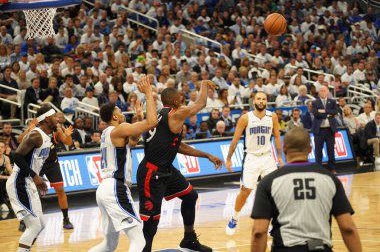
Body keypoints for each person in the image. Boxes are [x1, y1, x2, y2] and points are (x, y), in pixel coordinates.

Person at [137, 80, 223, 252]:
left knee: (190, 196)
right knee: (152, 220)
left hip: (166, 169)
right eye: (181, 99)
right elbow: (201, 103)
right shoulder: (175, 114)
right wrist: (204, 84)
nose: (183, 102)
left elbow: (178, 146)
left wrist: (206, 155)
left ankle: (189, 239)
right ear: (176, 102)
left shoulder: (161, 114)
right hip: (151, 173)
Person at [251, 127, 362, 252]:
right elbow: (348, 228)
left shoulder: (268, 182)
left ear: (284, 149)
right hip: (321, 248)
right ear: (310, 149)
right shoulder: (330, 179)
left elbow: (259, 232)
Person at [88, 75, 157, 252]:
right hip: (114, 188)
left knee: (110, 244)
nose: (122, 112)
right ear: (114, 116)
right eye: (119, 111)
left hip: (104, 188)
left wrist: (138, 118)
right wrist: (149, 94)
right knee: (139, 241)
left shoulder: (108, 132)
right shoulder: (119, 129)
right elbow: (152, 123)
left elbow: (132, 142)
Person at [225, 91, 284, 236]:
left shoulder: (272, 116)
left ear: (266, 102)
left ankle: (273, 224)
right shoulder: (245, 118)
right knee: (245, 192)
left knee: (274, 191)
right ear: (254, 101)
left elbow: (277, 137)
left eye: (264, 99)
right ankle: (234, 218)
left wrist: (280, 157)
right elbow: (235, 140)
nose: (261, 101)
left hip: (267, 157)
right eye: (259, 99)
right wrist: (228, 159)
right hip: (251, 157)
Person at [6, 105, 58, 252]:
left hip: (28, 182)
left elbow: (35, 161)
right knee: (34, 226)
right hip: (19, 182)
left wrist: (38, 177)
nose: (58, 120)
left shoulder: (47, 137)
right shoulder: (35, 135)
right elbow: (17, 156)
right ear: (47, 119)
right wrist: (34, 176)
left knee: (41, 225)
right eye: (55, 117)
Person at [17, 115, 75, 230]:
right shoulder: (35, 131)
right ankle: (25, 219)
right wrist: (29, 128)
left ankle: (66, 218)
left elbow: (68, 142)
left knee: (60, 190)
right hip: (38, 164)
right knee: (30, 190)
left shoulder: (55, 130)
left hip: (52, 164)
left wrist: (67, 134)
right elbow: (19, 140)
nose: (57, 119)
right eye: (54, 117)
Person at [312, 86, 338, 174]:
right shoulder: (315, 102)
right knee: (318, 151)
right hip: (319, 130)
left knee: (331, 150)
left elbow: (335, 111)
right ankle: (319, 169)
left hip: (330, 130)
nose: (323, 92)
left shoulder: (333, 101)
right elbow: (316, 114)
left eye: (324, 90)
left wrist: (323, 111)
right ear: (319, 92)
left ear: (327, 92)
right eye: (321, 90)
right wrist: (328, 114)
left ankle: (332, 168)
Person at [0, 141, 12, 212]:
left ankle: (12, 201)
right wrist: (8, 177)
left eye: (2, 147)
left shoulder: (6, 158)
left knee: (13, 180)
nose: (0, 149)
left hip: (2, 177)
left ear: (5, 149)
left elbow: (11, 172)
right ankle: (2, 203)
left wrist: (14, 178)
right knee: (1, 181)